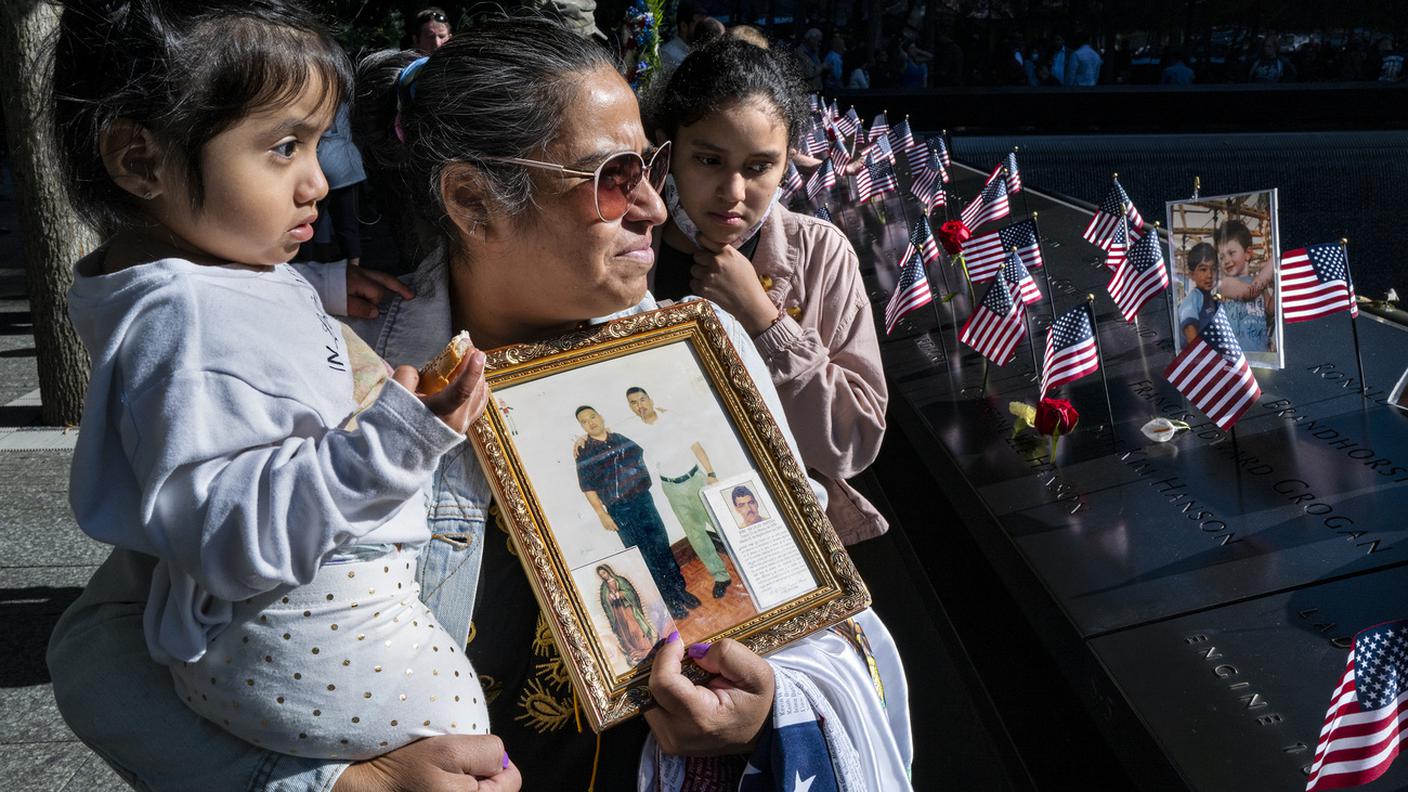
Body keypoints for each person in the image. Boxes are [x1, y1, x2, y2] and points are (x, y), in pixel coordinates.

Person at [50, 16, 911, 792]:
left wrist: (766, 714)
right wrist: (344, 787)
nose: (656, 204)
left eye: (649, 165)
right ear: (470, 200)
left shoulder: (708, 366)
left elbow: (830, 627)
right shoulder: (343, 378)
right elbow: (102, 652)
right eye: (613, 177)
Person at [48, 0, 505, 769]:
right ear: (141, 160)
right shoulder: (187, 321)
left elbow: (245, 310)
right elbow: (230, 537)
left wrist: (323, 284)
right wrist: (394, 441)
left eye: (319, 145)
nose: (318, 183)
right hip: (310, 635)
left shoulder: (214, 278)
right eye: (284, 147)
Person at [646, 37, 891, 546]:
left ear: (787, 163)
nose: (733, 192)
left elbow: (853, 441)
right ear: (667, 148)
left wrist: (765, 322)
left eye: (758, 167)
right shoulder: (625, 248)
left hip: (776, 534)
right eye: (709, 160)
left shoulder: (824, 255)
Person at [574, 405, 698, 620]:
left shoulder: (620, 437)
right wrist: (602, 514)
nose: (591, 422)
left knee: (662, 548)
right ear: (582, 427)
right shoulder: (584, 452)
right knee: (646, 557)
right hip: (620, 510)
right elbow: (588, 488)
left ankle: (680, 590)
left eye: (593, 416)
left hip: (644, 501)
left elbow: (642, 450)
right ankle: (670, 601)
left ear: (601, 416)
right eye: (584, 421)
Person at [624, 386, 734, 598]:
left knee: (721, 525)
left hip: (695, 480)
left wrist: (711, 473)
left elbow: (696, 446)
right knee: (696, 536)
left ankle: (747, 561)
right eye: (634, 403)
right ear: (630, 407)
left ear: (650, 398)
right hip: (671, 488)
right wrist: (581, 439)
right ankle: (721, 576)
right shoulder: (634, 430)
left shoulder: (671, 417)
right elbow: (605, 430)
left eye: (642, 399)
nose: (640, 405)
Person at [297, 101, 367, 265]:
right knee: (348, 224)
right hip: (347, 163)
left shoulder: (318, 97)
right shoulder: (344, 96)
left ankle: (305, 267)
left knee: (309, 223)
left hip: (323, 162)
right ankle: (354, 268)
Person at [1215, 219, 1274, 353]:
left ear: (1248, 254)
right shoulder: (1226, 284)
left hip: (1260, 353)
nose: (1226, 261)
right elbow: (1249, 292)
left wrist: (1278, 282)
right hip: (1237, 356)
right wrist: (1274, 261)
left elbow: (1271, 309)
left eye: (1231, 253)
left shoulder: (1259, 284)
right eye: (1222, 257)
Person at [596, 564, 658, 664]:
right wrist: (609, 598)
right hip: (617, 612)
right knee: (624, 631)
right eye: (601, 575)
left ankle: (646, 648)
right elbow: (605, 602)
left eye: (604, 572)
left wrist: (621, 594)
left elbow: (631, 592)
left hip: (628, 608)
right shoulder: (604, 588)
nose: (603, 576)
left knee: (635, 628)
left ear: (608, 570)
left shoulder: (620, 580)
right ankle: (634, 651)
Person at [1177, 242, 1218, 346]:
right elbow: (1190, 333)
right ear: (1192, 275)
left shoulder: (1211, 300)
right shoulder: (1192, 301)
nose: (1209, 275)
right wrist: (1203, 357)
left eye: (1213, 269)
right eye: (1203, 269)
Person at [659, 1, 705, 72]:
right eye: (699, 25)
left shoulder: (701, 49)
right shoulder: (668, 54)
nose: (702, 28)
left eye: (704, 24)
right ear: (684, 26)